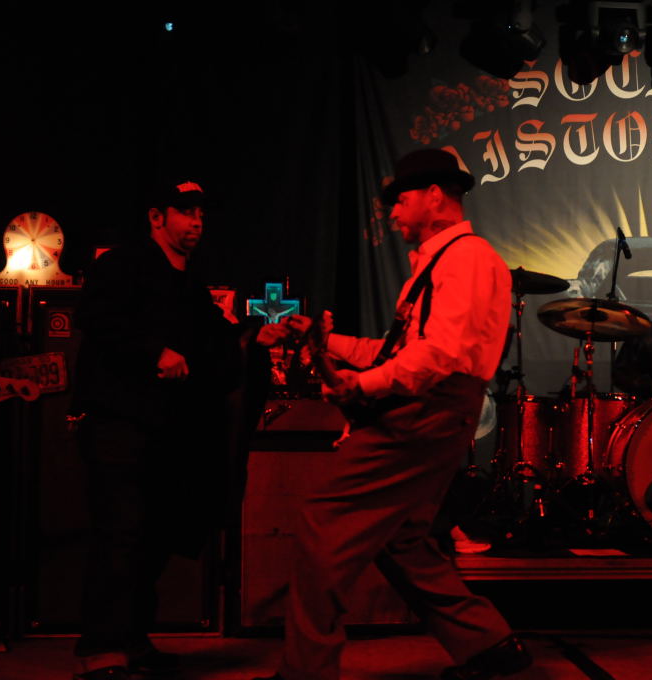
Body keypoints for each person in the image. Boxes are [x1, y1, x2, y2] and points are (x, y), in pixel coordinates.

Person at [258, 149, 531, 680]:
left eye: (400, 199)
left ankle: (306, 671)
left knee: (324, 520)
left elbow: (441, 355)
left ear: (435, 196)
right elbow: (397, 353)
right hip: (434, 412)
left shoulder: (467, 259)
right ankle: (489, 645)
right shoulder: (436, 265)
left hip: (426, 412)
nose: (393, 211)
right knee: (400, 537)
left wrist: (361, 385)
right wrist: (325, 340)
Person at [70, 178, 288, 680]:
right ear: (156, 217)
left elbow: (216, 338)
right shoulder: (122, 264)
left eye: (201, 215)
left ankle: (131, 640)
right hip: (119, 423)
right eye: (186, 212)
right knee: (120, 533)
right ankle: (100, 648)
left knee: (152, 534)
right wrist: (154, 352)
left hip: (164, 429)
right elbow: (97, 319)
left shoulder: (189, 281)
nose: (197, 223)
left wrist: (256, 337)